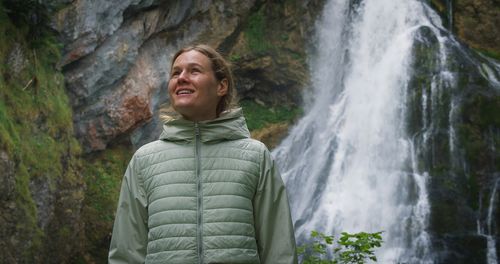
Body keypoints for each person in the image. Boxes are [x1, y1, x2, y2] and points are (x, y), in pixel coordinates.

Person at [108, 44, 297, 264]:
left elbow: (279, 249)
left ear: (221, 86)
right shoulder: (144, 160)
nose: (182, 78)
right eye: (176, 73)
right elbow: (126, 253)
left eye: (194, 71)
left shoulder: (254, 156)